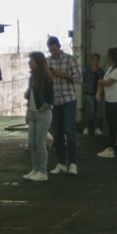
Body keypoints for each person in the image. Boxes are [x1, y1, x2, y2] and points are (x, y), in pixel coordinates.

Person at [46, 36, 79, 175]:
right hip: (55, 102)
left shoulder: (70, 59)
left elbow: (79, 78)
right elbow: (46, 80)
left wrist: (63, 74)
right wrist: (50, 75)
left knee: (69, 131)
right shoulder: (47, 62)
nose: (53, 52)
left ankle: (73, 163)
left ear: (59, 46)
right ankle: (61, 163)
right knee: (57, 133)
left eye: (55, 49)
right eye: (51, 50)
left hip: (69, 100)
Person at [23, 51, 55, 180]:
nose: (29, 62)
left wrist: (42, 107)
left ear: (38, 62)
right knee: (32, 143)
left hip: (42, 114)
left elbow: (50, 98)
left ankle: (42, 172)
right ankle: (35, 169)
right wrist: (28, 112)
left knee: (40, 143)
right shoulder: (32, 77)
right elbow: (31, 97)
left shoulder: (46, 78)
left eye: (31, 60)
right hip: (33, 113)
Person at [80, 53, 104, 136]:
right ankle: (90, 127)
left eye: (97, 60)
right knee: (90, 110)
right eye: (93, 60)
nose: (95, 62)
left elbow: (102, 82)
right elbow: (82, 79)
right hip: (88, 93)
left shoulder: (101, 71)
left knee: (96, 111)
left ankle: (94, 128)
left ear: (99, 61)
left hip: (98, 93)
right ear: (91, 61)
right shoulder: (86, 69)